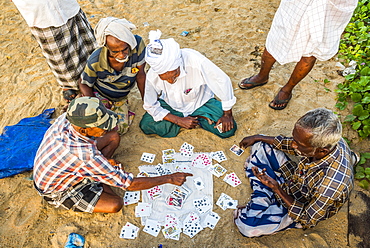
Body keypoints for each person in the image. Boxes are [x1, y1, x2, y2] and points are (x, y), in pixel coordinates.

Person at [33, 97, 192, 213]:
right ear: (84, 130)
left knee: (114, 137)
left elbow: (102, 140)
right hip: (57, 190)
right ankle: (98, 176)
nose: (106, 128)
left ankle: (100, 173)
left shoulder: (70, 117)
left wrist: (104, 165)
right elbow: (129, 184)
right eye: (100, 126)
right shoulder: (84, 155)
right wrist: (169, 178)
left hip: (66, 166)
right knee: (116, 203)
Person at [234, 108, 358, 237]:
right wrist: (257, 137)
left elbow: (307, 219)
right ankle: (268, 194)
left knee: (248, 227)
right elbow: (288, 144)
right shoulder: (330, 140)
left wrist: (277, 189)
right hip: (297, 179)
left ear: (322, 151)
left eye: (299, 144)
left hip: (302, 203)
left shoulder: (330, 187)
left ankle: (271, 200)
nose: (293, 145)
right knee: (260, 145)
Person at [238, 0, 358, 110]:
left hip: (332, 5)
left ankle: (288, 88)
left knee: (312, 49)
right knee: (278, 37)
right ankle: (262, 76)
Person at [140, 30, 237, 138]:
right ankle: (197, 120)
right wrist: (178, 120)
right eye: (165, 79)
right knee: (146, 125)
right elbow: (150, 104)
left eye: (174, 75)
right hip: (172, 106)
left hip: (201, 102)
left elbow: (222, 80)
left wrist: (227, 114)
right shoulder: (152, 74)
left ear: (178, 64)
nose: (171, 81)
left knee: (228, 130)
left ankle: (197, 117)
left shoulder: (195, 60)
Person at [12, 0, 97, 102]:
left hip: (66, 6)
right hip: (39, 9)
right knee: (58, 53)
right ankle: (69, 85)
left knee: (82, 38)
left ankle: (92, 72)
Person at [79, 17, 146, 135]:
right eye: (115, 51)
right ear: (106, 47)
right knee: (93, 126)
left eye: (125, 49)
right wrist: (96, 106)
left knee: (119, 129)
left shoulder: (138, 45)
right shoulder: (96, 60)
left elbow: (140, 75)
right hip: (99, 95)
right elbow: (84, 84)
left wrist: (146, 101)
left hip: (120, 98)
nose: (121, 55)